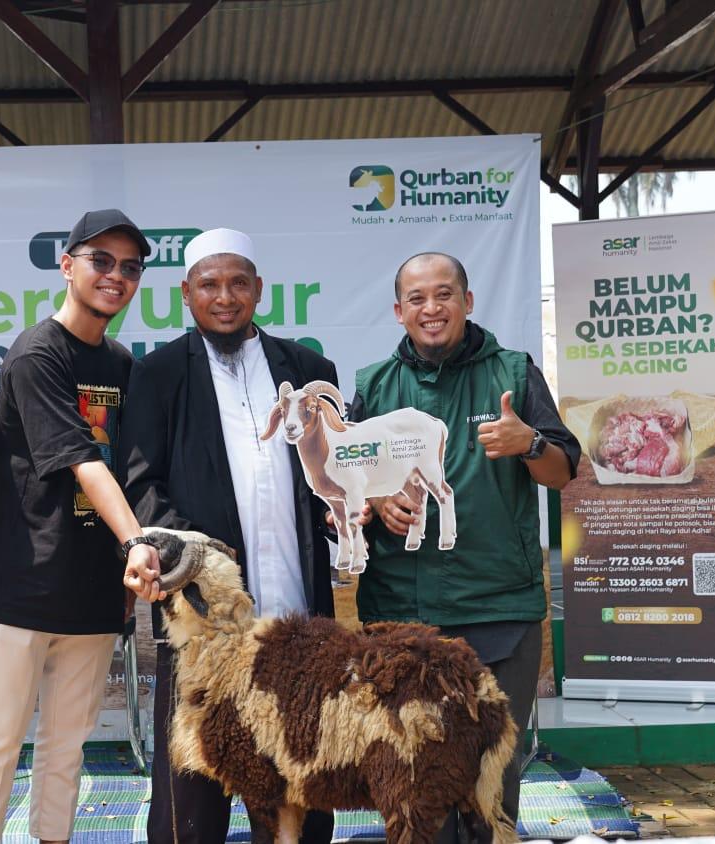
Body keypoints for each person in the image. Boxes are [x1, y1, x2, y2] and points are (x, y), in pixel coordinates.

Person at [348, 251, 580, 843]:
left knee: (488, 778)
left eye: (445, 294)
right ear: (399, 311)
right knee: (411, 777)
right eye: (418, 299)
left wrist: (529, 442)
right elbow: (347, 493)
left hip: (498, 611)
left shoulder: (513, 372)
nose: (433, 308)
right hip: (402, 617)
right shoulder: (373, 386)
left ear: (468, 302)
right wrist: (376, 505)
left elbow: (561, 473)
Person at [119, 228, 337, 843]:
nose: (224, 296)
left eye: (237, 283)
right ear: (186, 294)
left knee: (301, 778)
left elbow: (335, 473)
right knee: (195, 793)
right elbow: (142, 485)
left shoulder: (311, 371)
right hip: (204, 620)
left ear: (258, 290)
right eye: (209, 285)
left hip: (298, 618)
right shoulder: (159, 375)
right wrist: (202, 555)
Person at [0, 209, 165, 844]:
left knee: (67, 744)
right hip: (28, 581)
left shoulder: (124, 363)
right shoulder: (35, 354)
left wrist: (136, 550)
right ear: (67, 265)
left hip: (97, 587)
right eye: (101, 260)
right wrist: (136, 541)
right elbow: (82, 461)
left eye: (129, 267)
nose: (116, 276)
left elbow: (130, 469)